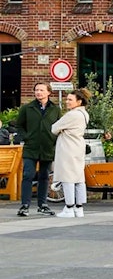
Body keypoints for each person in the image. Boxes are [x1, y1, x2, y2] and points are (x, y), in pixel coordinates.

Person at [13, 82, 60, 217]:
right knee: (28, 175)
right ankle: (25, 205)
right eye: (36, 90)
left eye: (41, 90)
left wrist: (53, 140)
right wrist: (26, 137)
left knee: (44, 177)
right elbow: (19, 126)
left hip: (47, 148)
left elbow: (58, 126)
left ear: (49, 92)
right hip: (31, 147)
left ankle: (43, 205)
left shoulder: (55, 109)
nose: (38, 92)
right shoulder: (27, 108)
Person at [51, 88, 91, 218]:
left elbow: (54, 128)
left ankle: (69, 207)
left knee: (67, 177)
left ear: (79, 101)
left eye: (70, 100)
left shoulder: (72, 115)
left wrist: (62, 130)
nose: (67, 101)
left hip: (67, 147)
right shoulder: (84, 114)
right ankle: (79, 208)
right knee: (79, 178)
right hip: (78, 146)